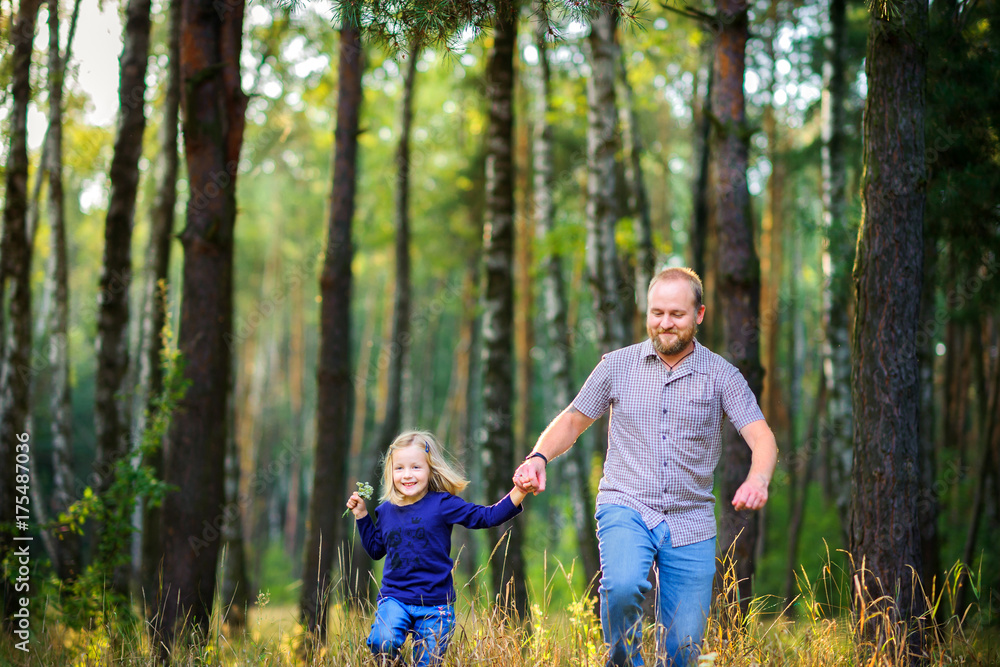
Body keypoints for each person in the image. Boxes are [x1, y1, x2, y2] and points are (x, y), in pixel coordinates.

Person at [513, 267, 777, 667]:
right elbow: (572, 419)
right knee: (620, 587)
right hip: (626, 503)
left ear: (699, 314)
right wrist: (538, 456)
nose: (665, 323)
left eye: (676, 314)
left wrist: (758, 479)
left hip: (692, 518)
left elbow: (762, 438)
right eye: (657, 313)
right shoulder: (616, 366)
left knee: (684, 650)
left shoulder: (723, 376)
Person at [346, 430, 527, 667]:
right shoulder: (386, 510)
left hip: (435, 605)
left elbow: (487, 517)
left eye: (416, 467)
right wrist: (361, 515)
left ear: (430, 468)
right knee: (382, 642)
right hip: (395, 599)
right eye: (399, 468)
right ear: (390, 472)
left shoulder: (443, 504)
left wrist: (520, 491)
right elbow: (376, 550)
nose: (407, 475)